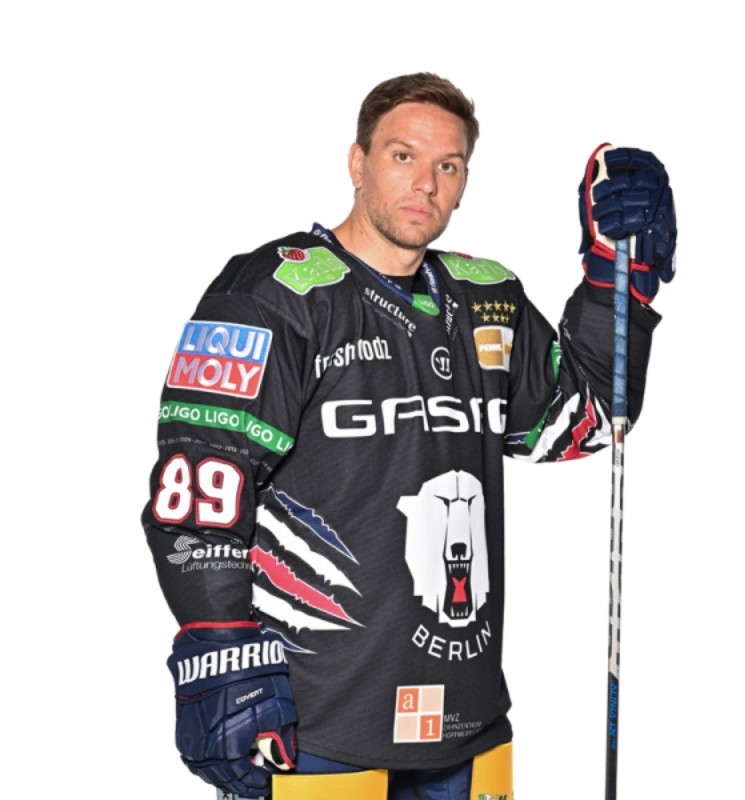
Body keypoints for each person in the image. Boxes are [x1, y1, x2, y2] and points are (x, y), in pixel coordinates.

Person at [142, 72, 676, 800]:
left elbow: (577, 421)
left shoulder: (489, 298)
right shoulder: (272, 292)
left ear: (464, 182)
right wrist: (221, 648)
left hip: (467, 721)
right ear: (357, 163)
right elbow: (200, 489)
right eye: (403, 156)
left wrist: (620, 285)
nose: (426, 183)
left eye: (448, 165)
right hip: (318, 725)